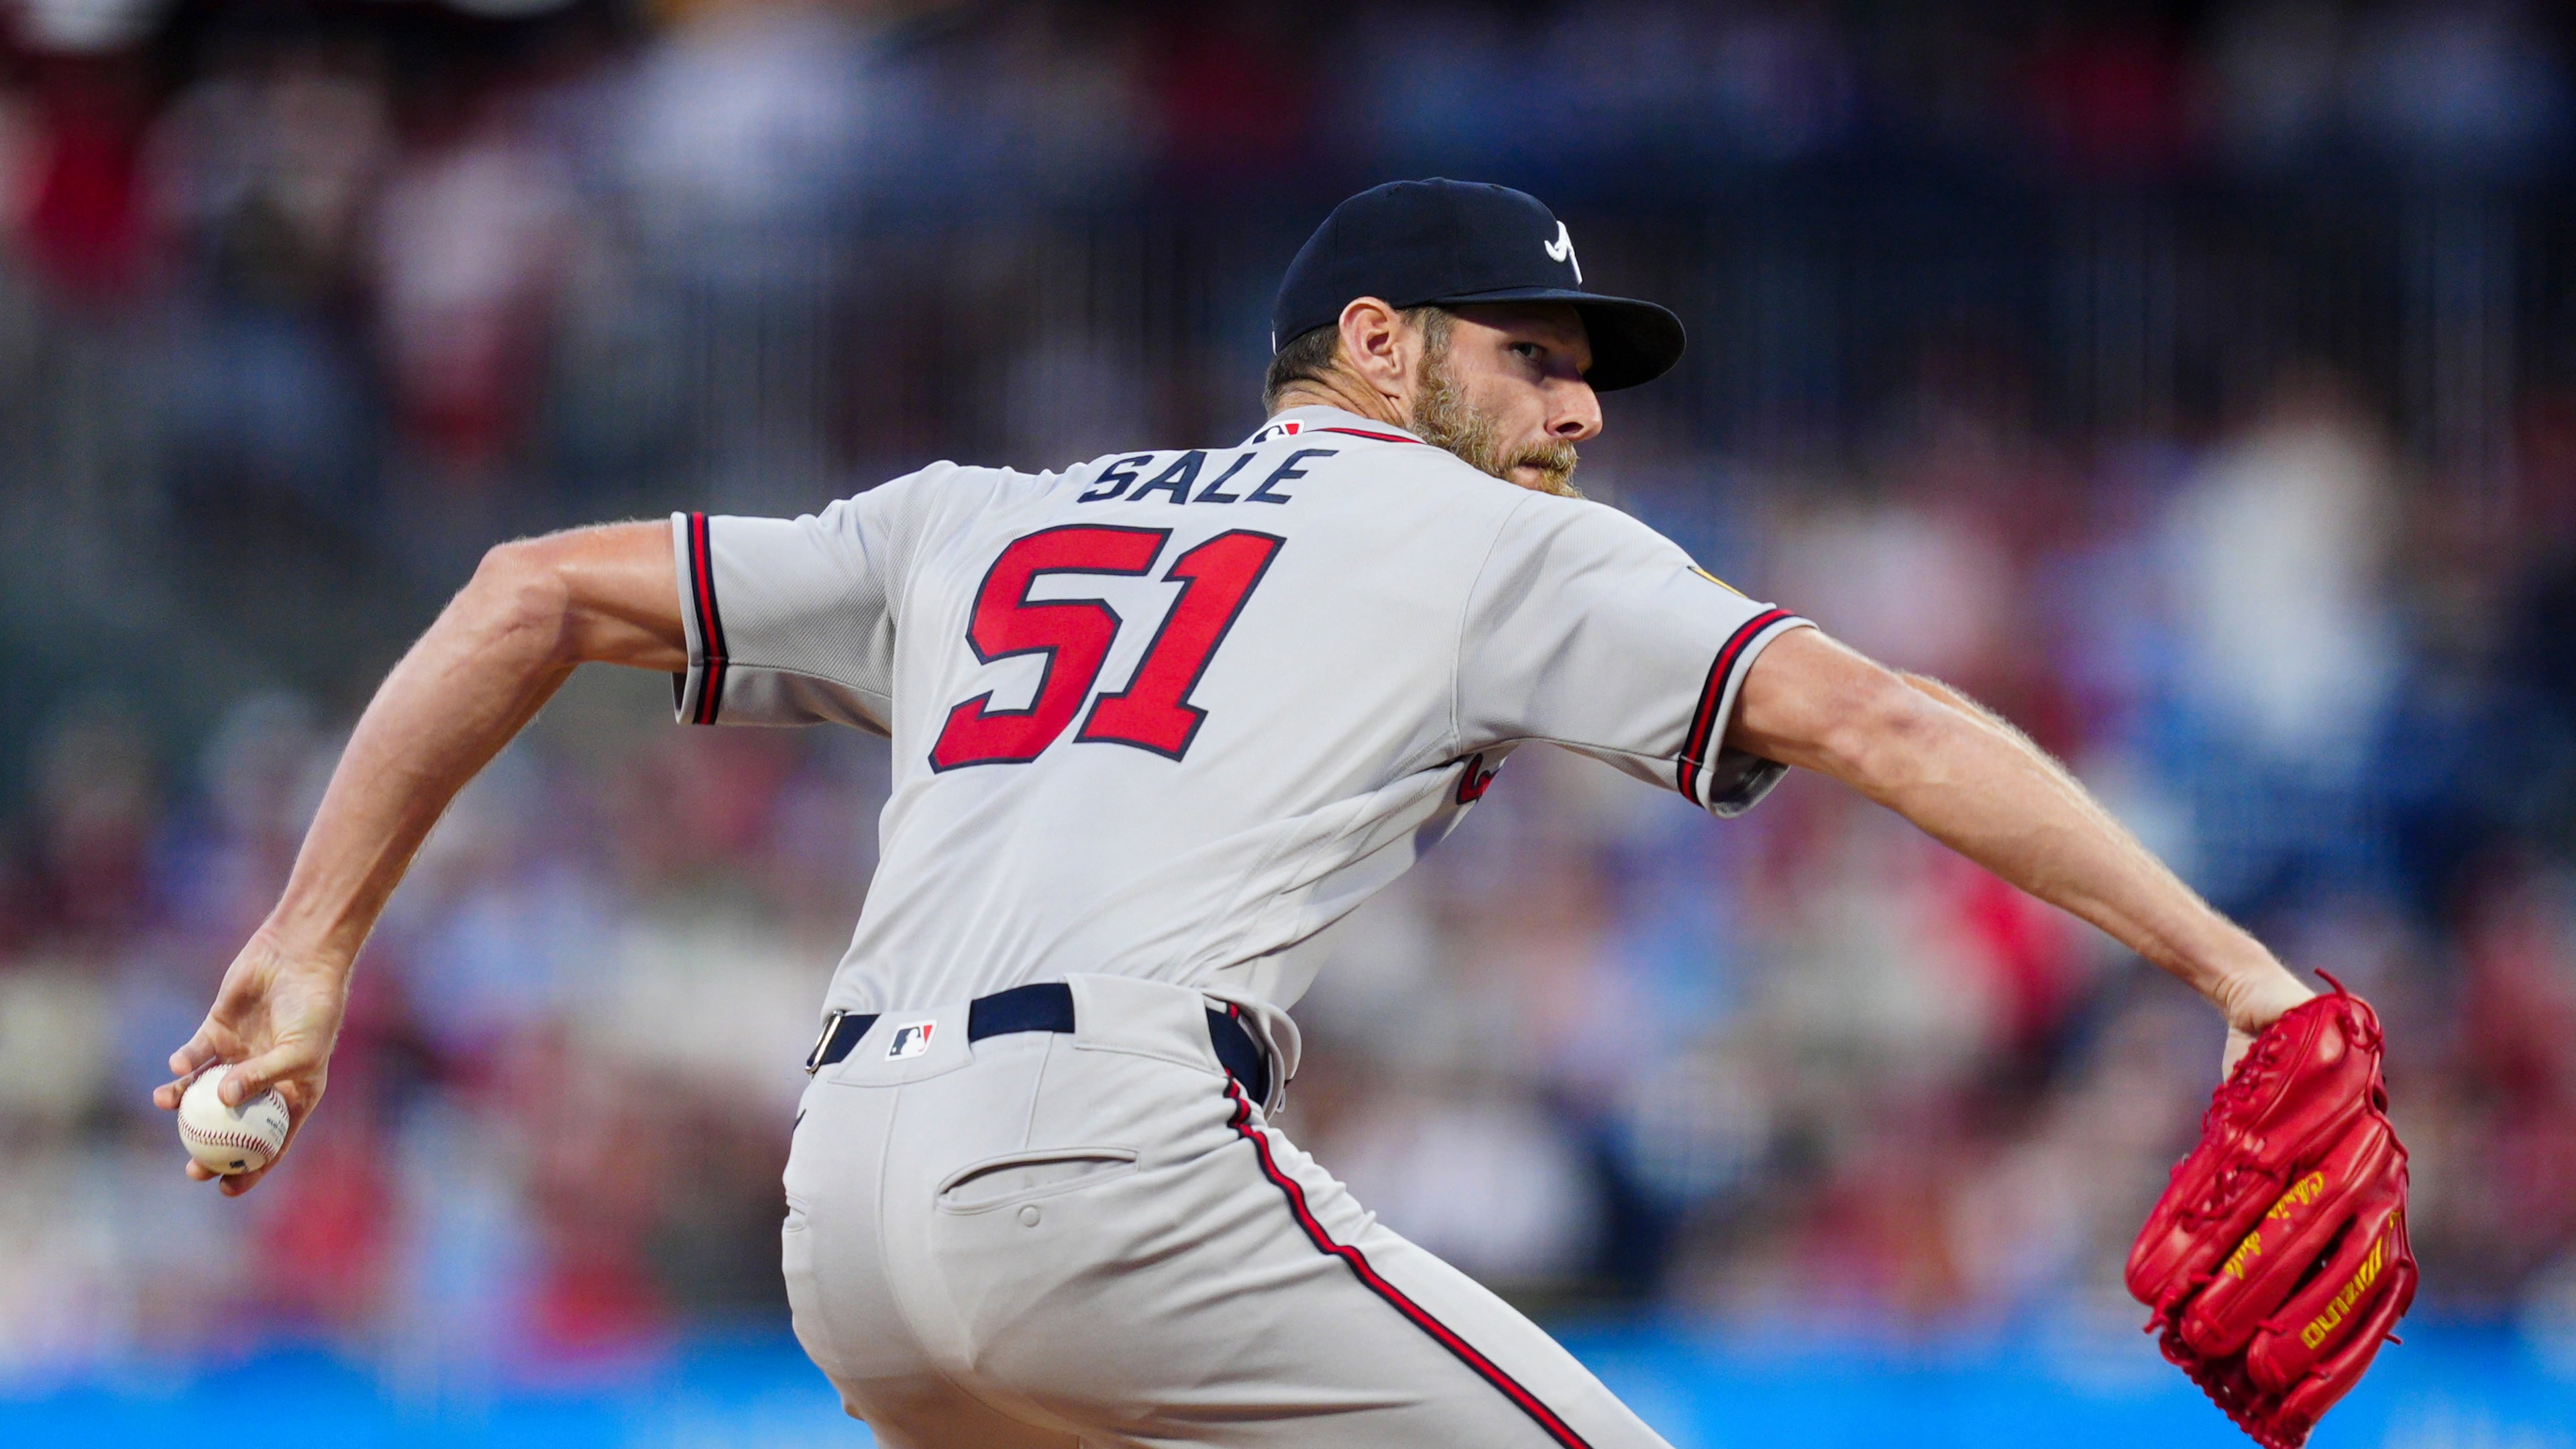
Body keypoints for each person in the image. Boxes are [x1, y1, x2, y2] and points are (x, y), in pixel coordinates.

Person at [155, 179, 2314, 1448]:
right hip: (1105, 1162)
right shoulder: (1477, 537)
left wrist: (313, 941)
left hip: (852, 1220)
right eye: (1533, 346)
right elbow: (1884, 718)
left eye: (1594, 370)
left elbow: (526, 592)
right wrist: (2237, 974)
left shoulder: (985, 518)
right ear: (1376, 348)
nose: (1575, 402)